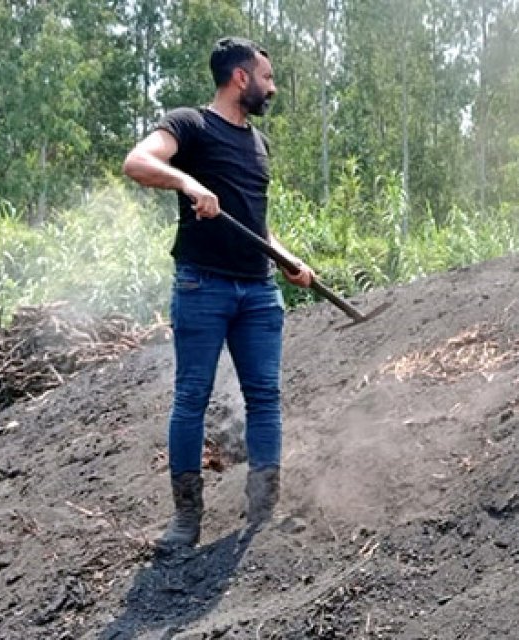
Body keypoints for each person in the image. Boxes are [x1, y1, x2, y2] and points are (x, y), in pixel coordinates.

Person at [122, 36, 315, 551]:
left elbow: (256, 223)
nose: (272, 89)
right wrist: (188, 184)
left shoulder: (257, 143)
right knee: (192, 398)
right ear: (241, 78)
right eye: (267, 79)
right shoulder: (190, 124)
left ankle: (262, 510)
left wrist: (287, 259)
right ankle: (186, 518)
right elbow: (138, 162)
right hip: (201, 283)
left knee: (265, 398)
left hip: (258, 289)